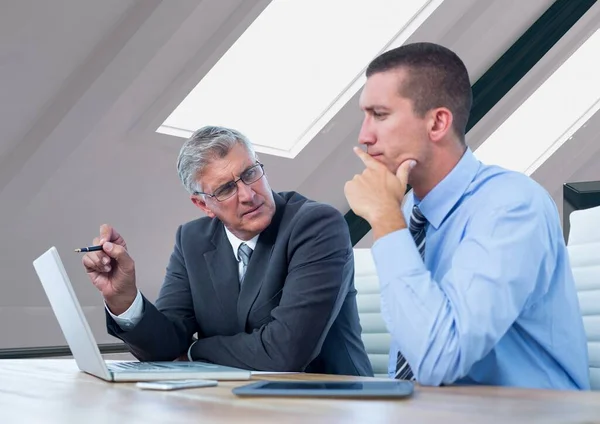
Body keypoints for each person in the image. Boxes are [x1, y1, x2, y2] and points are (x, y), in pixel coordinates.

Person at [344, 42, 589, 389]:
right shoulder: (409, 211)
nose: (364, 136)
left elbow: (438, 361)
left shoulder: (511, 206)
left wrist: (385, 220)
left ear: (438, 122)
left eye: (380, 115)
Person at [82, 125, 373, 376]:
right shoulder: (192, 239)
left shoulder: (317, 225)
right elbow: (166, 345)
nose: (247, 195)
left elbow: (286, 352)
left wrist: (196, 350)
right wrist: (123, 298)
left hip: (331, 401)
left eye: (250, 173)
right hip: (233, 401)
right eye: (225, 190)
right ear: (203, 205)